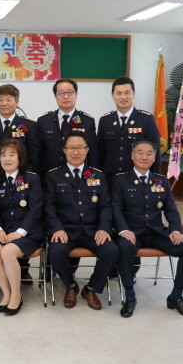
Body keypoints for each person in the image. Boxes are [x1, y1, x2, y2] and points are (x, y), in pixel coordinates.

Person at [111, 140, 183, 318]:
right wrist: (123, 230)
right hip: (131, 233)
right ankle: (130, 296)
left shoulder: (161, 181)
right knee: (124, 247)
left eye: (149, 153)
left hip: (156, 233)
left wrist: (175, 230)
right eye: (140, 152)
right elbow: (116, 209)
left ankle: (176, 296)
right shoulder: (120, 180)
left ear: (154, 157)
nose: (144, 156)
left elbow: (171, 210)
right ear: (132, 155)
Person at [43, 131, 118, 310]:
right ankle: (70, 286)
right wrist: (56, 228)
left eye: (79, 147)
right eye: (71, 148)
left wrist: (104, 228)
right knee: (56, 252)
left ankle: (91, 289)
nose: (75, 152)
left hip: (93, 230)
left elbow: (106, 206)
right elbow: (48, 207)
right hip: (65, 230)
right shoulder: (53, 176)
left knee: (111, 251)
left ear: (87, 150)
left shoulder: (98, 176)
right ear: (64, 150)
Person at [0, 83, 38, 282]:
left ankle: (23, 268)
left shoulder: (29, 125)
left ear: (17, 101)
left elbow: (34, 156)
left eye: (8, 99)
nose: (4, 103)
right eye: (0, 100)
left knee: (21, 216)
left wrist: (27, 180)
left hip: (23, 182)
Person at [0, 139, 43, 316]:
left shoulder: (32, 178)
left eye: (12, 155)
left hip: (28, 233)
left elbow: (35, 210)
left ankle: (16, 296)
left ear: (20, 158)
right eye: (3, 155)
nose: (7, 159)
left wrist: (20, 232)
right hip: (5, 232)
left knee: (7, 252)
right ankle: (7, 293)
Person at [97, 76, 161, 178]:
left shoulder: (146, 119)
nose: (123, 97)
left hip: (136, 179)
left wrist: (155, 179)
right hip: (110, 179)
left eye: (127, 93)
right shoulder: (105, 120)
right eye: (119, 93)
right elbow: (100, 153)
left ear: (133, 94)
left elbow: (155, 152)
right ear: (113, 96)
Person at [36, 78, 98, 172]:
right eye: (61, 93)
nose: (65, 97)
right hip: (49, 176)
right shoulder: (43, 121)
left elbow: (93, 154)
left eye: (69, 92)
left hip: (78, 175)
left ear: (76, 95)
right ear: (55, 96)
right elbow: (38, 153)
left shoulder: (87, 121)